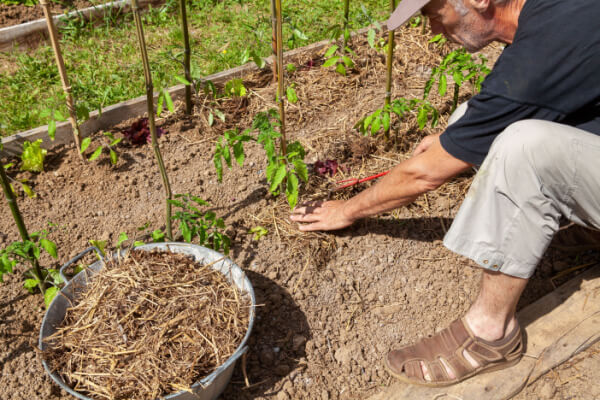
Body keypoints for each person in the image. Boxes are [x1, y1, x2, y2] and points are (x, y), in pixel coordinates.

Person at [290, 0, 600, 387]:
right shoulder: (555, 15)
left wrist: (348, 210)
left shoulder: (553, 41)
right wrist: (457, 138)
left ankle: (491, 333)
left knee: (524, 146)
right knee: (473, 122)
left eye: (434, 14)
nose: (433, 30)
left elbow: (424, 175)